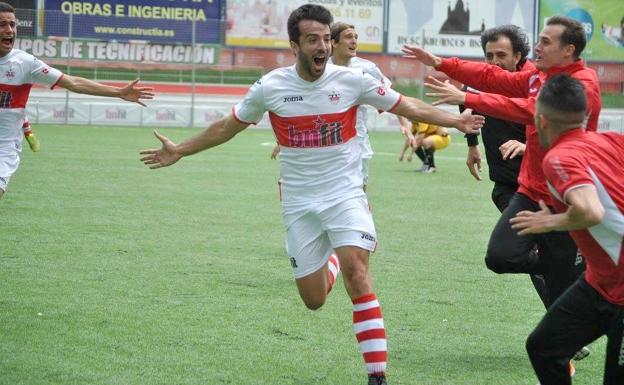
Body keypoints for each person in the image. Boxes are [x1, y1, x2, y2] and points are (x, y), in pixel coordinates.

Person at [140, 5, 483, 385]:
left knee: (358, 272)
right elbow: (226, 127)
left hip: (345, 193)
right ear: (295, 46)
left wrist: (456, 119)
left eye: (325, 38)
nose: (321, 46)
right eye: (312, 40)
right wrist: (181, 150)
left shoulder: (352, 80)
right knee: (314, 300)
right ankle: (331, 262)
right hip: (300, 202)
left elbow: (405, 104)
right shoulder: (271, 87)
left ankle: (377, 376)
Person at [402, 16, 601, 318]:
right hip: (531, 189)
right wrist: (441, 63)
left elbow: (533, 110)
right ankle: (564, 265)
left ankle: (577, 313)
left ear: (568, 49)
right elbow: (494, 78)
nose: (537, 46)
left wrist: (469, 98)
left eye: (546, 41)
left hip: (566, 193)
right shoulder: (539, 77)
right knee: (499, 257)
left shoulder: (582, 84)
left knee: (567, 309)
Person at [510, 74, 624, 385]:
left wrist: (550, 222)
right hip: (601, 283)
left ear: (540, 120)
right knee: (544, 347)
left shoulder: (558, 157)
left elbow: (589, 210)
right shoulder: (612, 140)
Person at [0, 2, 154, 200]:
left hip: (3, 149)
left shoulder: (25, 63)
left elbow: (73, 82)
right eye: (3, 24)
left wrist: (119, 92)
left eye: (12, 24)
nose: (9, 30)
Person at [273, 22, 414, 191]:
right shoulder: (320, 68)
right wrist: (284, 139)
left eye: (355, 37)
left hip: (358, 143)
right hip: (325, 146)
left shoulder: (366, 68)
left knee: (358, 195)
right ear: (333, 42)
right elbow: (305, 105)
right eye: (348, 37)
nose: (354, 41)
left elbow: (391, 95)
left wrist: (405, 124)